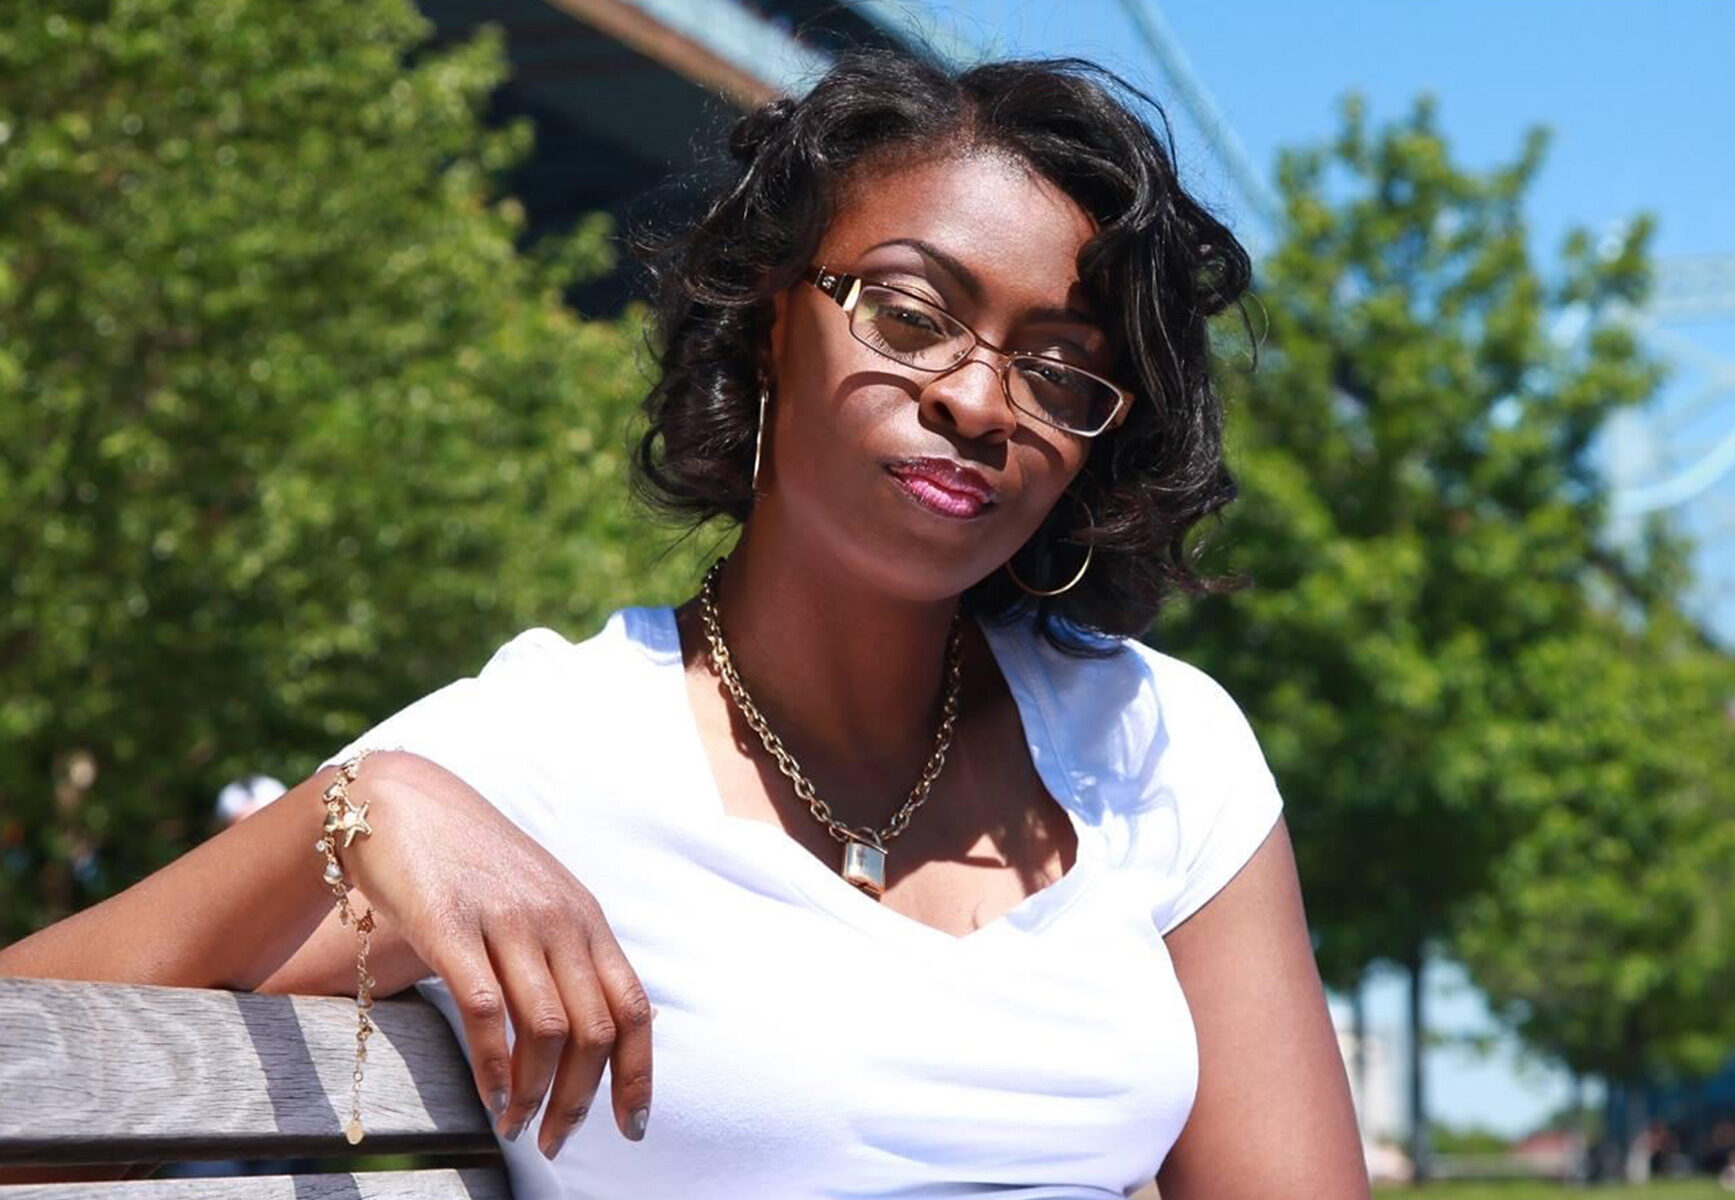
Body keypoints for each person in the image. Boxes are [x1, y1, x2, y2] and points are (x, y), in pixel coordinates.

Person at [0, 48, 1368, 1199]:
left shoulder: (1161, 741)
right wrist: (358, 807)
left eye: (1062, 371)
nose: (976, 398)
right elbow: (32, 1069)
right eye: (909, 312)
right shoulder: (544, 752)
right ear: (775, 323)